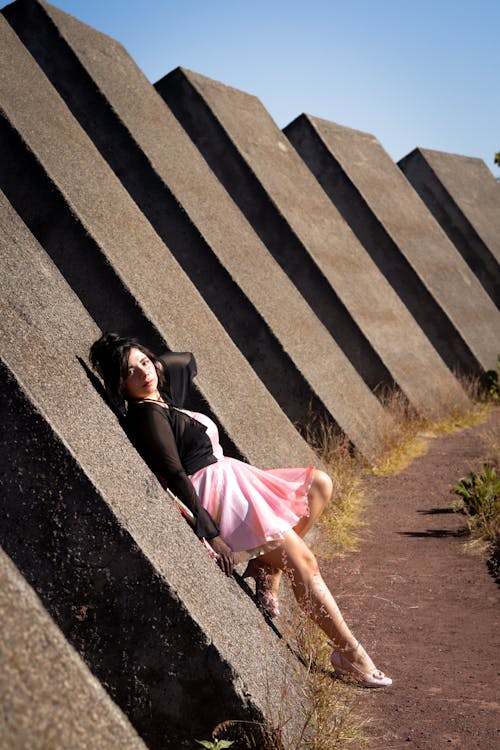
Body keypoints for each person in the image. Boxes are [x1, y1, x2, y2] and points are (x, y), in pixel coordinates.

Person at [90, 332, 392, 688]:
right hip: (218, 496)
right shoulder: (147, 415)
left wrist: (144, 358)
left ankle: (266, 566)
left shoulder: (163, 401)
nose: (143, 374)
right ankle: (349, 653)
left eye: (144, 363)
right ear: (121, 386)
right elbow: (173, 473)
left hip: (235, 480)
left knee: (319, 485)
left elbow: (185, 360)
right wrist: (211, 533)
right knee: (304, 562)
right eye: (130, 373)